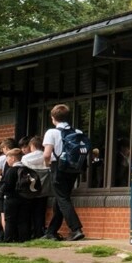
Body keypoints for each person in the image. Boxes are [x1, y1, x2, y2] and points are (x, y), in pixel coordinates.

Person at [39, 104, 88, 242]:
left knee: (63, 199)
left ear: (53, 118)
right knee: (61, 198)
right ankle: (51, 231)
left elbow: (47, 154)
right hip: (73, 169)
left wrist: (47, 164)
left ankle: (76, 229)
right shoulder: (77, 132)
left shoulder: (51, 132)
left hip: (58, 167)